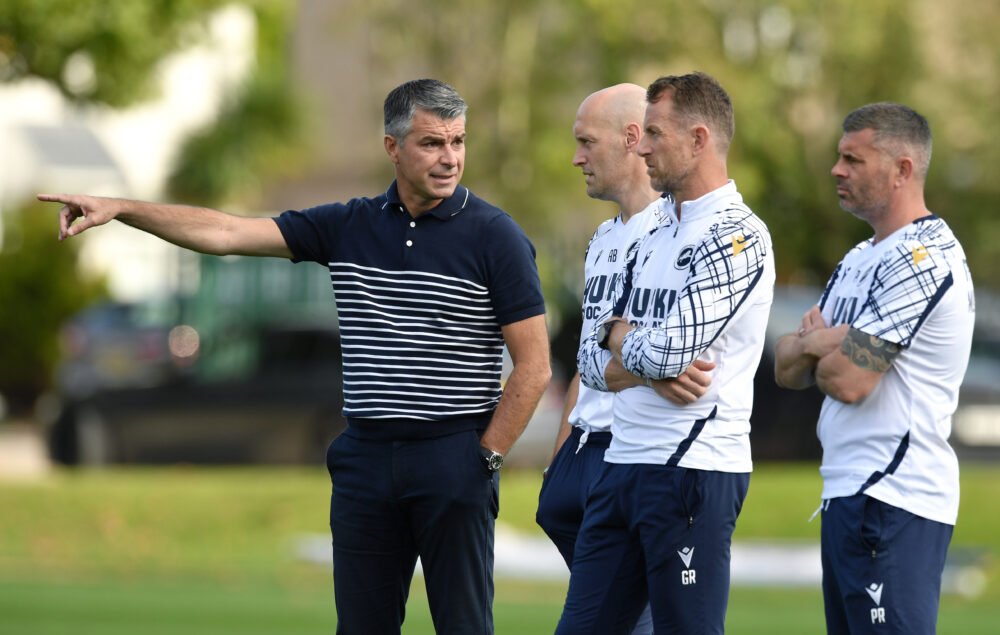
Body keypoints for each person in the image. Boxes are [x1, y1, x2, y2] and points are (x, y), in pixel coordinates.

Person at [39, 78, 552, 635]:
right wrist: (122, 208)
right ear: (393, 147)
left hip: (453, 456)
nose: (450, 158)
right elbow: (227, 232)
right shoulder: (348, 225)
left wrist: (486, 459)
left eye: (458, 141)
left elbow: (535, 365)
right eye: (432, 143)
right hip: (366, 459)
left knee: (465, 627)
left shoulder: (496, 236)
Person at [558, 71, 775, 634]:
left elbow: (672, 352)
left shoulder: (738, 235)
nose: (643, 146)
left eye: (654, 133)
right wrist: (631, 351)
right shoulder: (650, 233)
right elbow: (586, 357)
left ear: (699, 139)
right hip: (621, 466)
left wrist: (623, 341)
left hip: (690, 473)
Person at [774, 102, 974, 634]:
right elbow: (784, 365)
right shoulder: (861, 258)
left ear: (902, 169)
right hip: (849, 495)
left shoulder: (924, 259)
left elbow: (847, 381)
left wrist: (819, 340)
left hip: (894, 499)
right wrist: (832, 340)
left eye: (853, 159)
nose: (837, 170)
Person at [535, 83, 715, 635]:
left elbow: (685, 366)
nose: (576, 157)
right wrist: (561, 459)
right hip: (581, 457)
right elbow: (592, 357)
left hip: (636, 457)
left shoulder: (680, 231)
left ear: (631, 138)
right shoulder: (602, 240)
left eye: (587, 142)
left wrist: (631, 352)